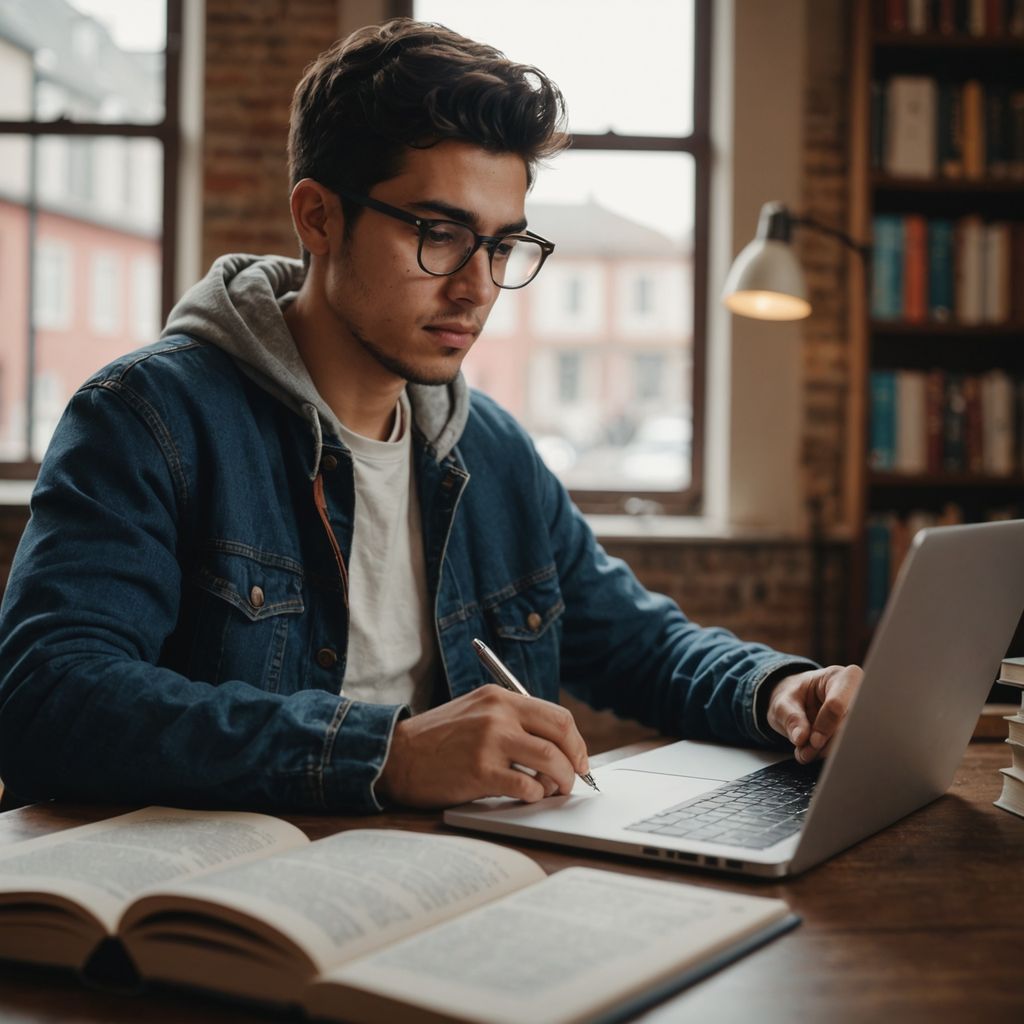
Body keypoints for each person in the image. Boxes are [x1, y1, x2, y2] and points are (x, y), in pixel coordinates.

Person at [0, 18, 861, 813]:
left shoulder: (490, 450)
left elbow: (639, 644)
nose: (478, 286)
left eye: (502, 244)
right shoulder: (150, 419)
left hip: (455, 892)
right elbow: (47, 697)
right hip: (212, 917)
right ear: (318, 216)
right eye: (439, 233)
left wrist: (780, 689)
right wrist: (384, 754)